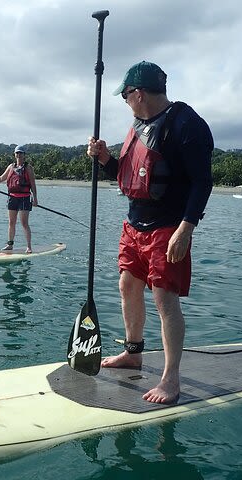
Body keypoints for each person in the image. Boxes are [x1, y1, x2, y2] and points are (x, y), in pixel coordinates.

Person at [87, 61, 213, 404]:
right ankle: (133, 352)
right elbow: (128, 174)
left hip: (168, 227)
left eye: (126, 95)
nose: (125, 101)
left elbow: (203, 182)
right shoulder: (138, 125)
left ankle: (171, 379)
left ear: (138, 93)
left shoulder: (187, 124)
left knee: (164, 300)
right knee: (127, 285)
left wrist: (186, 229)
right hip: (134, 225)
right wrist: (105, 160)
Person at [0, 145, 38, 253]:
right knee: (11, 222)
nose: (19, 155)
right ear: (14, 154)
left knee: (24, 223)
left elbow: (33, 184)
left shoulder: (28, 168)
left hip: (25, 198)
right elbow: (1, 178)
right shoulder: (11, 167)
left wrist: (35, 199)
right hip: (12, 197)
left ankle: (29, 247)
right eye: (17, 153)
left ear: (24, 155)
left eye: (21, 153)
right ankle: (10, 245)